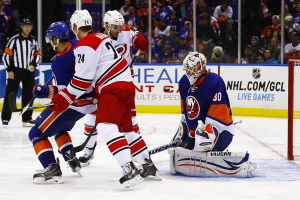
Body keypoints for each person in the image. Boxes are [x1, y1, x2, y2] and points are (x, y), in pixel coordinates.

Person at [69, 10, 160, 187]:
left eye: (120, 26)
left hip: (114, 86)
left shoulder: (119, 33)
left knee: (105, 126)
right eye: (115, 27)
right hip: (123, 84)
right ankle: (147, 165)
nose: (118, 29)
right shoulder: (102, 38)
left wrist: (142, 40)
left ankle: (129, 168)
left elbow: (87, 74)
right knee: (127, 129)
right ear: (107, 26)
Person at [169, 52, 260, 177]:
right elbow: (185, 112)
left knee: (201, 147)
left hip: (221, 132)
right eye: (187, 69)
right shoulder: (183, 82)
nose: (188, 72)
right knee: (182, 151)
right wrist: (183, 130)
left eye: (191, 69)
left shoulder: (214, 82)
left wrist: (207, 134)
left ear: (200, 67)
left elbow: (219, 115)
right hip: (196, 132)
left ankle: (217, 153)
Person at [29, 21, 97, 184]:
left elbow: (65, 90)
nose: (49, 41)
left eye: (50, 38)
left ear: (56, 39)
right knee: (59, 129)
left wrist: (45, 90)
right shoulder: (77, 44)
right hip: (88, 104)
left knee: (36, 133)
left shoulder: (59, 63)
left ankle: (52, 167)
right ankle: (71, 158)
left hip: (72, 105)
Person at [1, 18, 40, 127]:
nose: (27, 28)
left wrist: (34, 65)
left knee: (29, 94)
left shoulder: (33, 40)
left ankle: (26, 118)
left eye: (29, 26)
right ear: (22, 27)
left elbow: (38, 55)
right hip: (15, 70)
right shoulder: (14, 39)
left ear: (31, 28)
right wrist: (9, 70)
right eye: (25, 26)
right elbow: (6, 56)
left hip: (28, 71)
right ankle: (5, 118)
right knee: (10, 94)